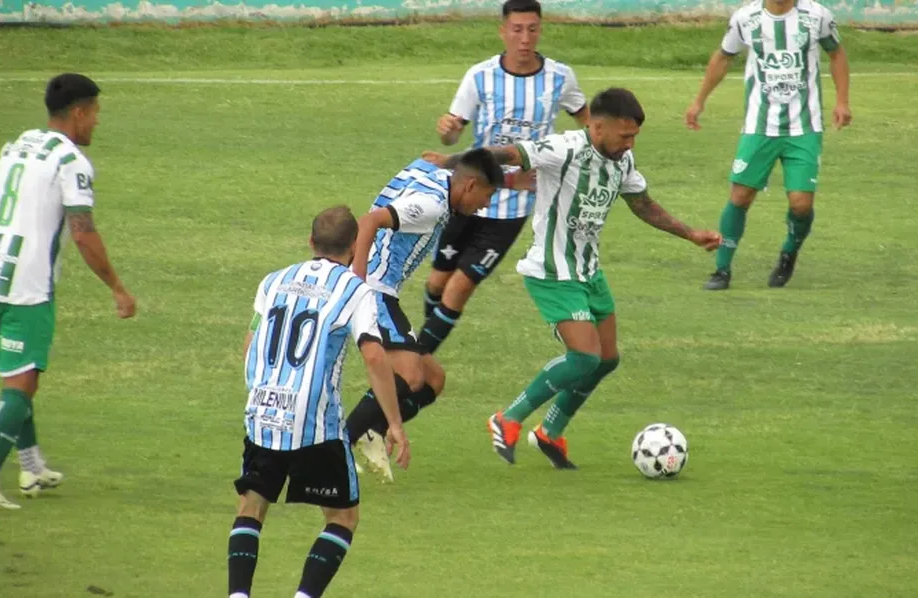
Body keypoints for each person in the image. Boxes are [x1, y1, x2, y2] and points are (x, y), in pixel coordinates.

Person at [426, 88, 721, 469]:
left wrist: (690, 233)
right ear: (597, 126)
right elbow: (508, 154)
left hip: (588, 271)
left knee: (607, 359)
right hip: (551, 272)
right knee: (584, 356)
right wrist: (451, 161)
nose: (630, 143)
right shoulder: (564, 148)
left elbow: (643, 204)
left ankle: (551, 431)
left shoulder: (622, 160)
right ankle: (508, 418)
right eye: (624, 135)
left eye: (634, 136)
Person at [228, 206, 409, 598]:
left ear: (310, 242)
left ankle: (238, 595)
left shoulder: (273, 281)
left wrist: (258, 394)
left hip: (262, 411)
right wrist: (393, 422)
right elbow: (375, 356)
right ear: (355, 245)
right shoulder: (355, 290)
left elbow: (251, 342)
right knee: (343, 518)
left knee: (251, 507)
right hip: (315, 423)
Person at [0, 73, 136, 510]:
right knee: (20, 386)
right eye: (94, 114)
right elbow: (83, 232)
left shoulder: (17, 144)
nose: (96, 123)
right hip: (25, 285)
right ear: (78, 113)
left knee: (22, 374)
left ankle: (32, 466)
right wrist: (117, 287)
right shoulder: (71, 162)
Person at [417, 0, 589, 356]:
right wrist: (447, 132)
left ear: (540, 30)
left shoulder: (560, 77)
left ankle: (417, 358)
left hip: (514, 205)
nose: (524, 38)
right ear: (503, 31)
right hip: (466, 194)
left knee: (460, 287)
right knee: (437, 282)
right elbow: (452, 135)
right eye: (517, 29)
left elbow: (588, 124)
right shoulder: (479, 76)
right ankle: (424, 345)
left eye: (532, 29)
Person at [343, 149, 507, 481]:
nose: (485, 205)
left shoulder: (437, 174)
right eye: (486, 196)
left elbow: (431, 158)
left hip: (382, 292)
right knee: (412, 376)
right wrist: (356, 284)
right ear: (470, 185)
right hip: (374, 289)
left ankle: (371, 430)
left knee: (433, 380)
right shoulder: (432, 205)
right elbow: (369, 221)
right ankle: (336, 450)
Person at [685, 0, 852, 290]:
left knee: (801, 203)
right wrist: (699, 101)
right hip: (759, 127)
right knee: (740, 195)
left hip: (804, 126)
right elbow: (723, 57)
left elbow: (836, 54)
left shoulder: (817, 16)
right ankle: (722, 270)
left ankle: (789, 252)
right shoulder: (745, 19)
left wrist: (842, 101)